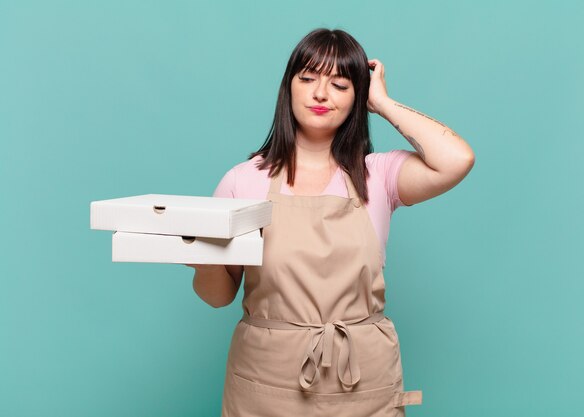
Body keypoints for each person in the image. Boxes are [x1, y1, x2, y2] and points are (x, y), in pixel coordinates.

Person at [188, 28, 475, 416]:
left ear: (357, 97)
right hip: (265, 381)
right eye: (307, 79)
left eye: (340, 84)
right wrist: (204, 257)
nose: (320, 94)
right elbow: (219, 295)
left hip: (361, 379)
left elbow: (457, 159)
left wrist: (384, 103)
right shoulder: (244, 180)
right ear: (288, 88)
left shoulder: (378, 174)